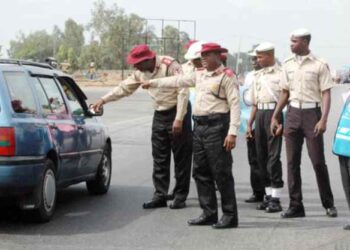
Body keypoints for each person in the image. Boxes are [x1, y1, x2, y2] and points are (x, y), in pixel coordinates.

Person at [142, 42, 240, 229]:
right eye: (202, 54)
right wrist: (152, 83)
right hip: (200, 126)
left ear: (218, 56)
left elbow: (234, 105)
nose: (203, 58)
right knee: (200, 172)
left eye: (207, 54)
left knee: (221, 173)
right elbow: (177, 81)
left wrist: (232, 132)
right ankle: (209, 213)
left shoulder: (226, 76)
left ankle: (229, 215)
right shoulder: (200, 74)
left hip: (217, 127)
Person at [92, 44, 193, 210]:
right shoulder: (141, 72)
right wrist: (103, 100)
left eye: (137, 62)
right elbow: (124, 88)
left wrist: (179, 118)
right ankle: (160, 195)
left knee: (181, 157)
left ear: (148, 60)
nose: (134, 66)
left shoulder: (170, 65)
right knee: (159, 157)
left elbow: (183, 90)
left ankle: (180, 196)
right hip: (160, 114)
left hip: (178, 112)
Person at [270, 28, 337, 218]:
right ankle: (295, 205)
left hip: (312, 114)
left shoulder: (319, 64)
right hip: (292, 113)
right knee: (292, 162)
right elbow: (284, 92)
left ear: (305, 42)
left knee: (317, 162)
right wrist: (276, 115)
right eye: (291, 41)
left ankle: (328, 204)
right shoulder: (288, 64)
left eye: (294, 41)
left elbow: (326, 92)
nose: (291, 44)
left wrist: (323, 119)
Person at [247, 42, 284, 213]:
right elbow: (255, 103)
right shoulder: (257, 75)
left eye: (260, 57)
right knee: (261, 157)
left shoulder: (281, 73)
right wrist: (249, 123)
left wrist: (278, 118)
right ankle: (268, 196)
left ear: (270, 55)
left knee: (273, 158)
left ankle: (276, 198)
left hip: (274, 115)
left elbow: (286, 96)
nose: (258, 60)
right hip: (260, 115)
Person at [243, 49, 265, 203]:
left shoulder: (274, 74)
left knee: (266, 157)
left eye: (256, 58)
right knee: (253, 157)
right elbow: (246, 100)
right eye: (252, 58)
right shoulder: (249, 77)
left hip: (266, 118)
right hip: (251, 119)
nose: (254, 61)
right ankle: (257, 192)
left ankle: (269, 192)